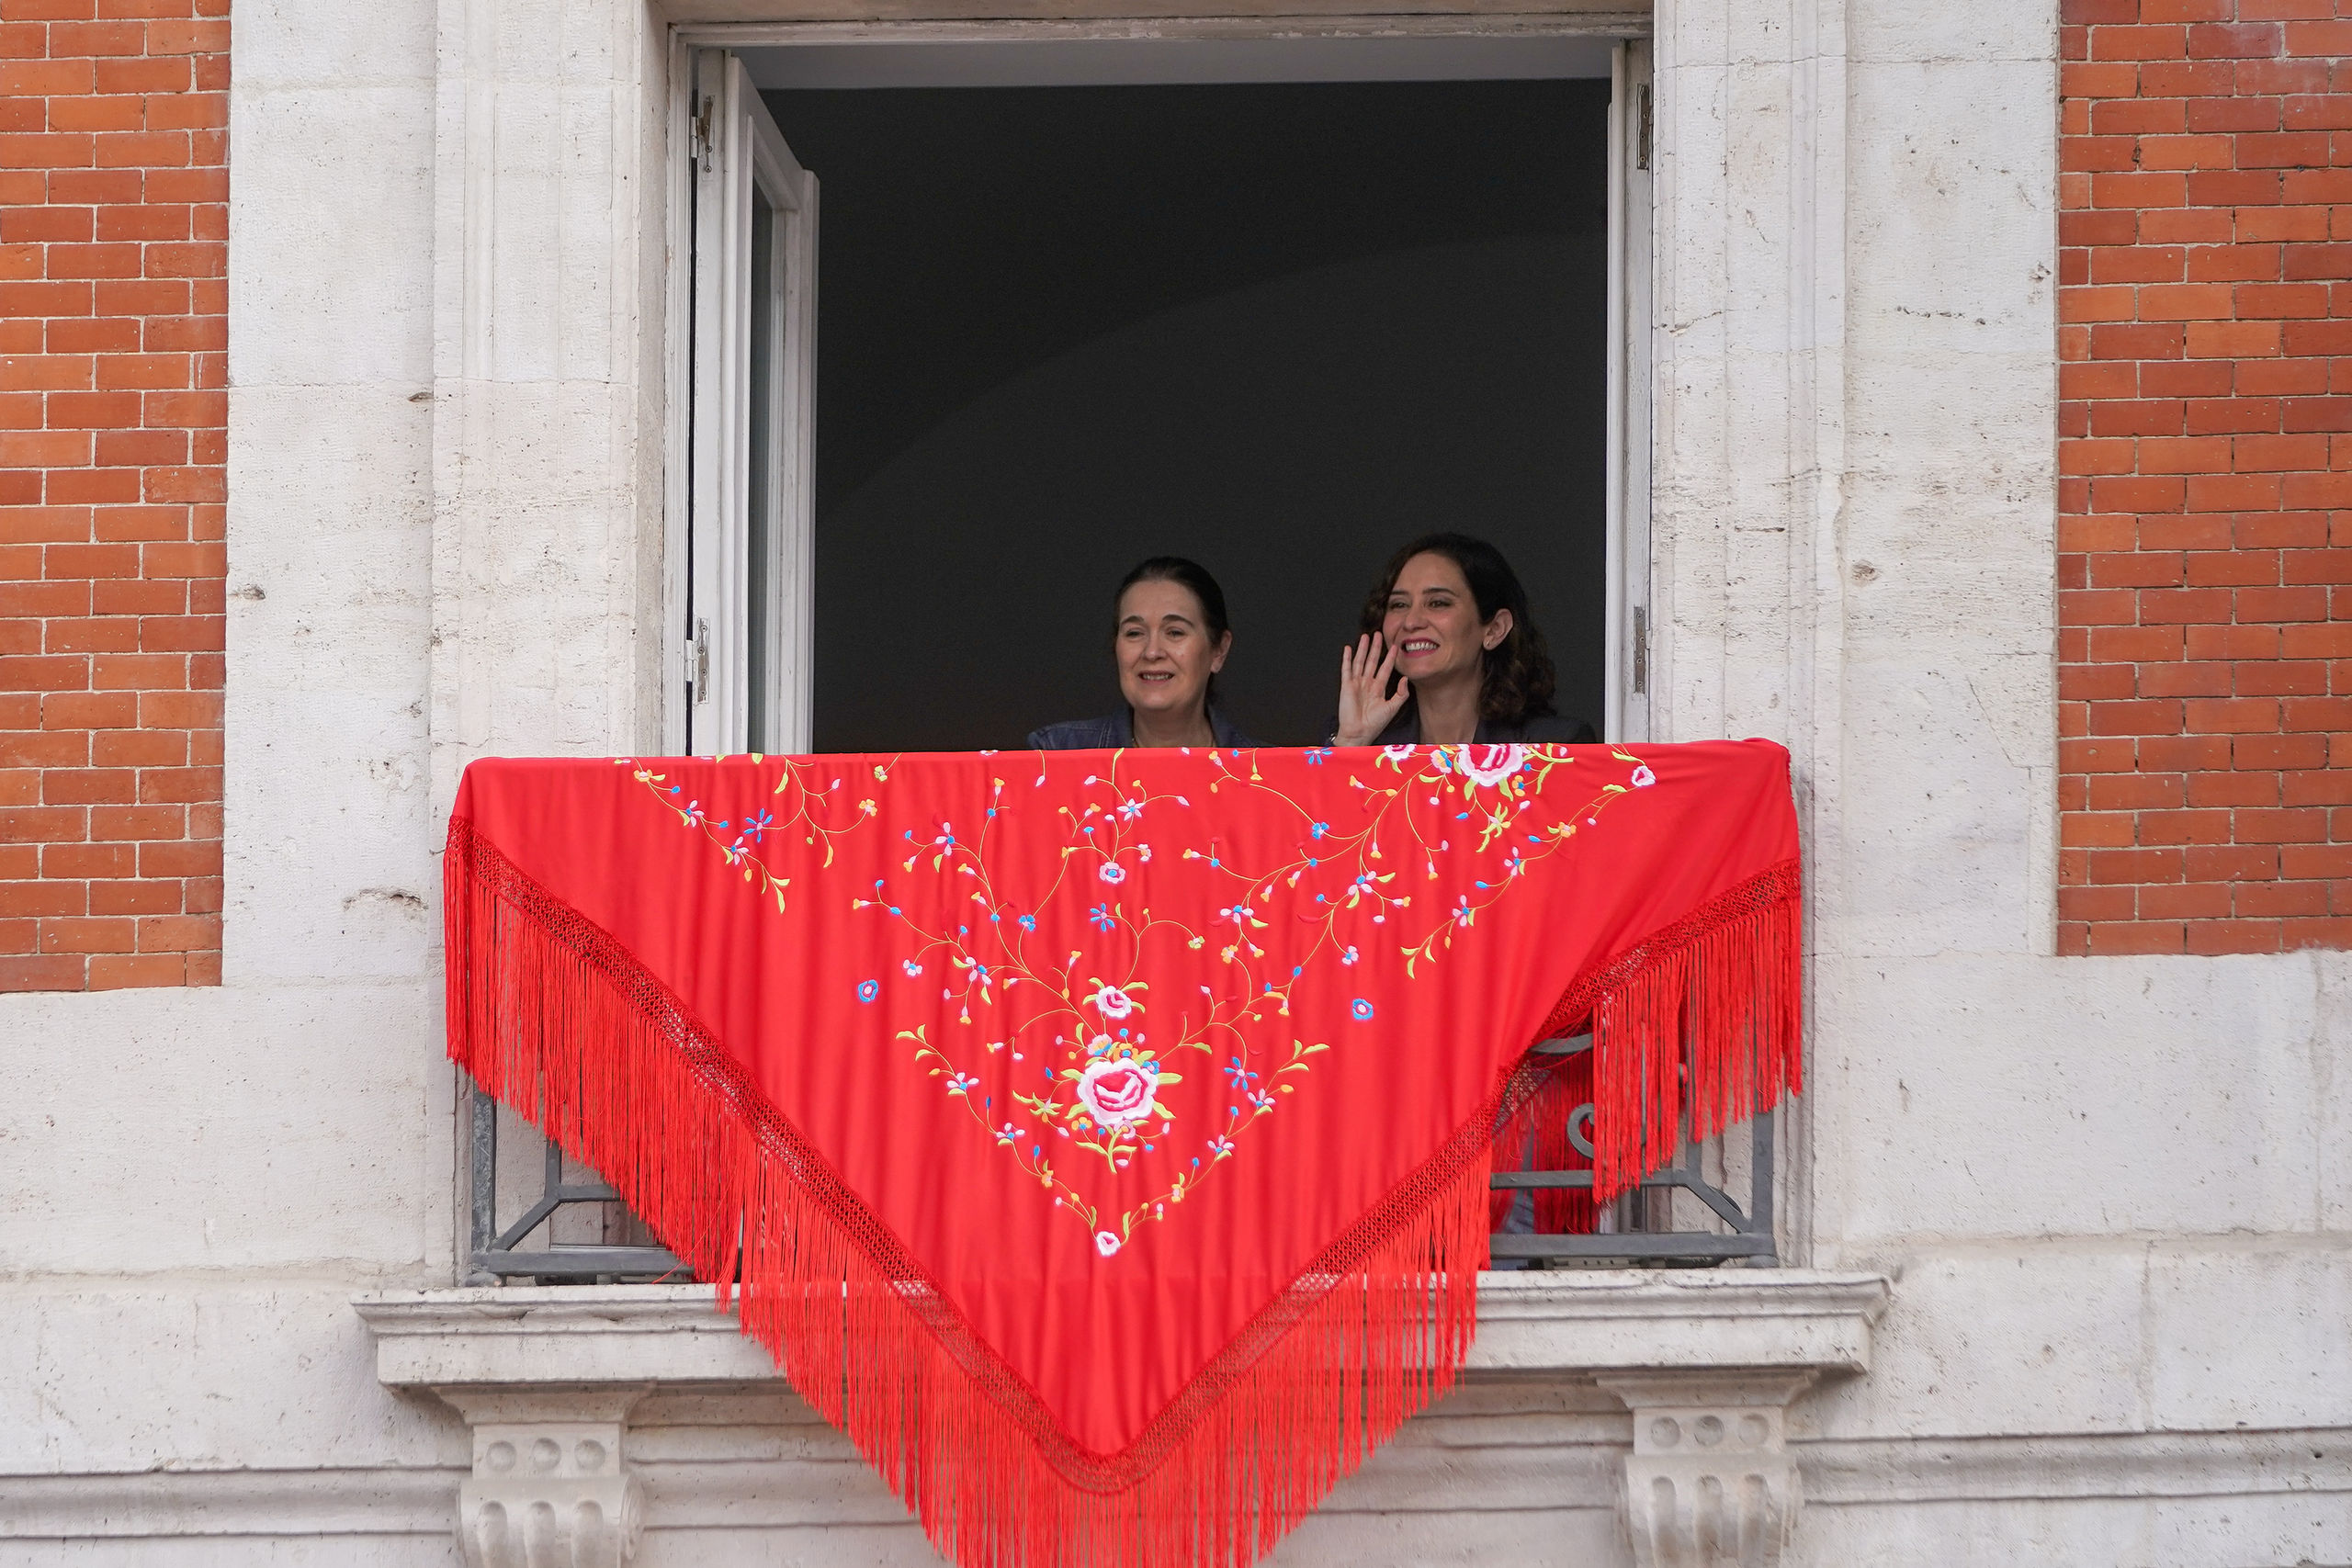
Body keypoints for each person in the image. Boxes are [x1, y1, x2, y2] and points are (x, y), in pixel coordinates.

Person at [1331, 533, 1596, 747]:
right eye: (1399, 605)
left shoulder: (1556, 747)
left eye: (1437, 603)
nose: (1411, 622)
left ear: (1494, 629)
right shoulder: (1357, 738)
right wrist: (1351, 744)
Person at [1028, 558, 1257, 750]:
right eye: (1135, 633)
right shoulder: (1057, 752)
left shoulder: (1269, 773)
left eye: (1175, 632)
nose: (1152, 652)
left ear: (1219, 650)